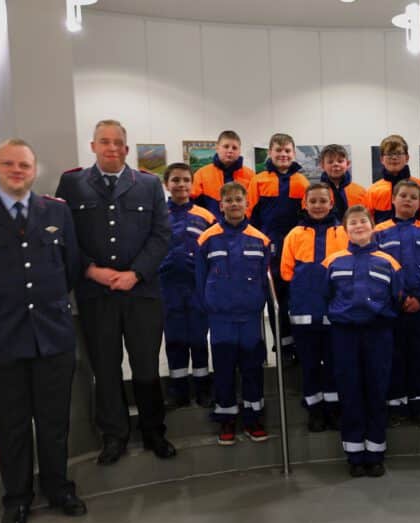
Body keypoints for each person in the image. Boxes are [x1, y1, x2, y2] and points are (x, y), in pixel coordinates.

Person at [0, 138, 88, 523]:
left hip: (51, 334)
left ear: (34, 169)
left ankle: (58, 489)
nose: (17, 171)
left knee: (54, 420)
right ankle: (17, 498)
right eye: (8, 163)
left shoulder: (56, 211)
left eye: (24, 165)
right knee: (10, 424)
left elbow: (71, 266)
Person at [56, 119, 175, 464]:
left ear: (126, 147)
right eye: (104, 141)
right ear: (93, 146)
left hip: (141, 293)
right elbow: (64, 236)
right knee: (105, 368)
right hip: (96, 294)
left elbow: (161, 235)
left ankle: (153, 431)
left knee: (146, 365)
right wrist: (91, 270)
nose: (111, 147)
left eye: (117, 142)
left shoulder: (148, 184)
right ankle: (114, 435)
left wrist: (135, 274)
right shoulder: (72, 183)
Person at [321, 205, 403, 477]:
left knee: (377, 390)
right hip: (344, 334)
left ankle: (375, 454)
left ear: (372, 226)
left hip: (378, 333)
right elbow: (325, 295)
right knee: (350, 391)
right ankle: (354, 455)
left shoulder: (388, 262)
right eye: (353, 222)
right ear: (345, 229)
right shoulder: (332, 262)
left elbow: (397, 296)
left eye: (363, 221)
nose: (358, 226)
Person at [195, 182, 272, 446]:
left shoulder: (260, 239)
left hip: (250, 317)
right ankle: (226, 418)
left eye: (239, 199)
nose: (234, 204)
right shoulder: (207, 238)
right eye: (228, 200)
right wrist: (208, 306)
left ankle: (253, 418)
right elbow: (199, 278)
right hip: (220, 318)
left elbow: (265, 281)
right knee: (224, 368)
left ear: (247, 203)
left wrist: (258, 304)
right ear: (221, 205)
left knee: (252, 368)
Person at [373, 180, 420, 425]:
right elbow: (376, 267)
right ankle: (396, 407)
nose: (407, 200)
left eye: (413, 197)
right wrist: (399, 296)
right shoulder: (379, 232)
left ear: (419, 203)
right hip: (391, 306)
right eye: (403, 195)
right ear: (393, 199)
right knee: (393, 355)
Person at [281, 183, 349, 432]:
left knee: (334, 363)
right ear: (305, 204)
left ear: (331, 203)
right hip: (304, 312)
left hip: (335, 312)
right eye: (313, 201)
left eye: (323, 201)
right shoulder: (294, 235)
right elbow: (286, 272)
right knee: (309, 364)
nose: (318, 205)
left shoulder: (344, 233)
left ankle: (334, 409)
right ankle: (315, 411)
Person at [247, 133, 310, 360]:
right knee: (275, 298)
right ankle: (283, 347)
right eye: (278, 150)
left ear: (293, 153)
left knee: (296, 297)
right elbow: (250, 216)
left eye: (287, 151)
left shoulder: (302, 182)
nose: (283, 154)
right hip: (269, 249)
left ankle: (299, 346)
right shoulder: (258, 181)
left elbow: (308, 217)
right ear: (270, 153)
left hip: (296, 249)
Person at [159, 162, 215, 408]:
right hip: (168, 286)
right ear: (166, 184)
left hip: (196, 286)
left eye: (185, 180)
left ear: (192, 184)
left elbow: (213, 250)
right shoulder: (158, 214)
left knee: (198, 337)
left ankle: (203, 388)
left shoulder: (206, 216)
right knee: (174, 338)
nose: (181, 185)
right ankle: (178, 390)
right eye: (175, 180)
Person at [191, 130, 255, 222]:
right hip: (211, 227)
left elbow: (255, 208)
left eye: (234, 148)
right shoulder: (202, 174)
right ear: (217, 148)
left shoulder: (251, 176)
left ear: (239, 151)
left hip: (243, 228)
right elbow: (192, 206)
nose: (230, 150)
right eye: (226, 146)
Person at [364, 134, 420, 223]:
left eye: (398, 153)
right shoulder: (373, 191)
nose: (394, 157)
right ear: (381, 159)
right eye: (389, 154)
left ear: (407, 157)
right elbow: (369, 224)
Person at [319, 144, 366, 220]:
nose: (335, 164)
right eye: (330, 162)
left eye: (340, 161)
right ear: (322, 165)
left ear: (348, 164)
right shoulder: (314, 193)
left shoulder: (361, 192)